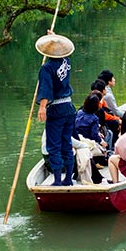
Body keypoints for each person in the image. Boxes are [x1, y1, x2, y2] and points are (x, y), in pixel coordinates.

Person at [36, 32, 76, 186]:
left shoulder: (46, 68)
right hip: (69, 108)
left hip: (57, 109)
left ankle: (58, 181)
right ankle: (68, 180)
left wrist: (42, 107)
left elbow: (46, 89)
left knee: (53, 145)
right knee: (66, 143)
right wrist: (54, 37)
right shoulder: (66, 61)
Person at [91, 78, 121, 148]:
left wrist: (115, 118)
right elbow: (105, 115)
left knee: (116, 122)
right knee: (115, 124)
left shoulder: (102, 100)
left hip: (102, 119)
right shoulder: (96, 102)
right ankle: (112, 146)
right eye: (105, 89)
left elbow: (107, 111)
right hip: (100, 121)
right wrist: (117, 119)